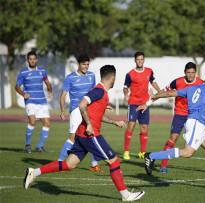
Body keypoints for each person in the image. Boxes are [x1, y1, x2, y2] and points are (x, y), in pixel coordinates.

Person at [24, 65, 145, 201]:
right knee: (114, 161)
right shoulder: (99, 91)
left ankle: (34, 172)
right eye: (115, 78)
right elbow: (82, 104)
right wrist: (88, 124)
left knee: (69, 165)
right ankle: (126, 195)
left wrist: (114, 122)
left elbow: (97, 115)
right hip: (90, 135)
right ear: (113, 77)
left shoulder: (102, 92)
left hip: (81, 134)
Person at [142, 72, 205, 190]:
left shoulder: (191, 88)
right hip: (196, 123)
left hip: (196, 124)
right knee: (188, 152)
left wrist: (155, 96)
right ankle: (151, 156)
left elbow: (170, 93)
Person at [137, 62, 205, 174]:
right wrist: (148, 103)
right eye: (188, 72)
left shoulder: (202, 83)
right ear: (184, 72)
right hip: (180, 114)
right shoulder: (177, 82)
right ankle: (163, 166)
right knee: (173, 138)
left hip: (196, 116)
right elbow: (165, 93)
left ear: (196, 72)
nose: (190, 75)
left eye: (193, 73)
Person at [58, 54, 104, 172]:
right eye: (84, 64)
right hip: (75, 110)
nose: (86, 67)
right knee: (73, 137)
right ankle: (59, 163)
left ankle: (94, 165)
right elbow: (63, 95)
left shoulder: (91, 76)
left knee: (93, 134)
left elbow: (94, 93)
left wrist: (103, 105)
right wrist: (62, 110)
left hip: (88, 110)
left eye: (88, 64)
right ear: (78, 64)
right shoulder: (70, 77)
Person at [122, 51, 161, 160]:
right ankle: (126, 152)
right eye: (138, 59)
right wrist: (126, 93)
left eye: (141, 59)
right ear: (135, 60)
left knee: (144, 127)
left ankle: (142, 152)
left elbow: (153, 82)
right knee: (131, 125)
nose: (140, 61)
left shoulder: (149, 71)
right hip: (133, 103)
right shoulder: (130, 74)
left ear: (144, 60)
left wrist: (160, 91)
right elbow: (125, 87)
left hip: (145, 104)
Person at [15, 51, 53, 153]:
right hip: (30, 101)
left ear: (36, 60)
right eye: (30, 59)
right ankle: (28, 144)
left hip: (42, 101)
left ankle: (39, 147)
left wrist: (50, 91)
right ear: (28, 60)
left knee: (47, 124)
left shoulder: (42, 71)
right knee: (32, 121)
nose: (32, 61)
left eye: (34, 59)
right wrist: (23, 94)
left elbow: (47, 83)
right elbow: (17, 86)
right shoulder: (23, 73)